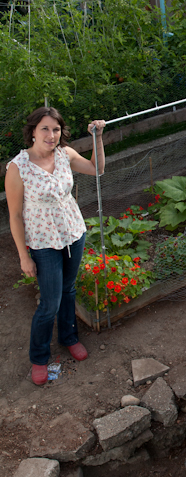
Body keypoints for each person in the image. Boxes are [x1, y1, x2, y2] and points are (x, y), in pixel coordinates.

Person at [5, 107, 106, 386]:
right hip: (43, 242)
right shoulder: (18, 168)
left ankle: (69, 338)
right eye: (45, 129)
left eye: (56, 129)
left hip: (73, 233)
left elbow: (97, 169)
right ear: (33, 131)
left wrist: (97, 137)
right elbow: (14, 216)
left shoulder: (65, 155)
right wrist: (24, 257)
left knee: (68, 290)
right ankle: (39, 357)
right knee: (49, 302)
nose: (51, 135)